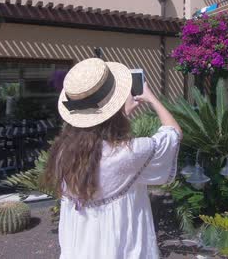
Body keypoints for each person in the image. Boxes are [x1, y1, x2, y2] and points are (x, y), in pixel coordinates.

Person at [44, 58, 182, 259]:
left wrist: (120, 115)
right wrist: (152, 98)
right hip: (121, 249)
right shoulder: (130, 153)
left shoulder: (64, 151)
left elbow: (98, 140)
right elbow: (173, 133)